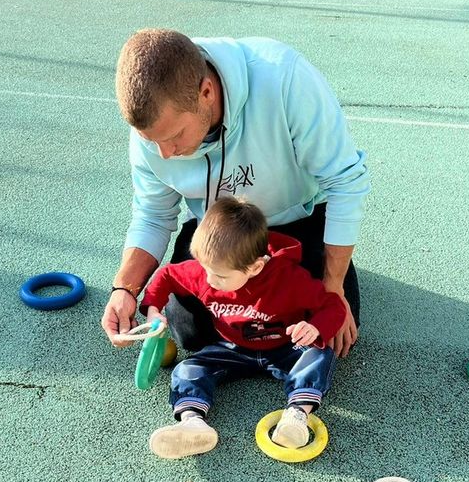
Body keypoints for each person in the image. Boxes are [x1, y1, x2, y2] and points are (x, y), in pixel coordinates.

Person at [101, 29, 369, 358]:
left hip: (296, 220)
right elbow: (153, 215)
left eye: (175, 136)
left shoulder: (286, 78)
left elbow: (345, 182)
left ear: (207, 92)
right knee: (188, 330)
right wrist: (125, 289)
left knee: (329, 323)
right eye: (151, 141)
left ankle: (319, 274)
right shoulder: (155, 131)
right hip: (217, 232)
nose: (165, 154)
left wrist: (333, 286)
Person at [139, 197, 347, 459]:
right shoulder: (207, 272)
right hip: (231, 347)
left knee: (318, 354)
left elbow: (333, 306)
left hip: (283, 347)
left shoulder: (289, 279)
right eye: (205, 270)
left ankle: (296, 415)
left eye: (221, 276)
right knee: (187, 368)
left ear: (255, 266)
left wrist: (315, 328)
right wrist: (152, 309)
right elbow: (167, 275)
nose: (210, 281)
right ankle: (192, 422)